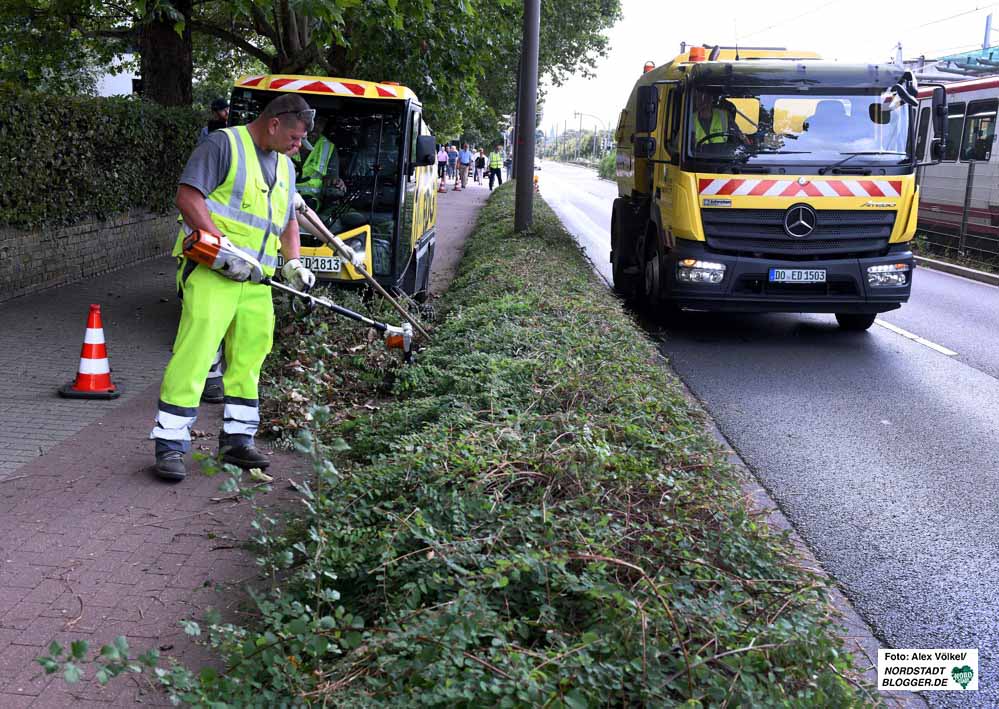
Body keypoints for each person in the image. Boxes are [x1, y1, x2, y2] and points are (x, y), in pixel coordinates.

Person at [150, 93, 316, 482]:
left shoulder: (286, 167)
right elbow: (188, 197)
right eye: (294, 138)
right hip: (212, 271)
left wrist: (293, 263)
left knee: (250, 358)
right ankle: (170, 444)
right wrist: (219, 241)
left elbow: (288, 219)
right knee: (195, 354)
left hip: (258, 281)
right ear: (274, 123)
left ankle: (238, 440)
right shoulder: (223, 145)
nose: (297, 146)